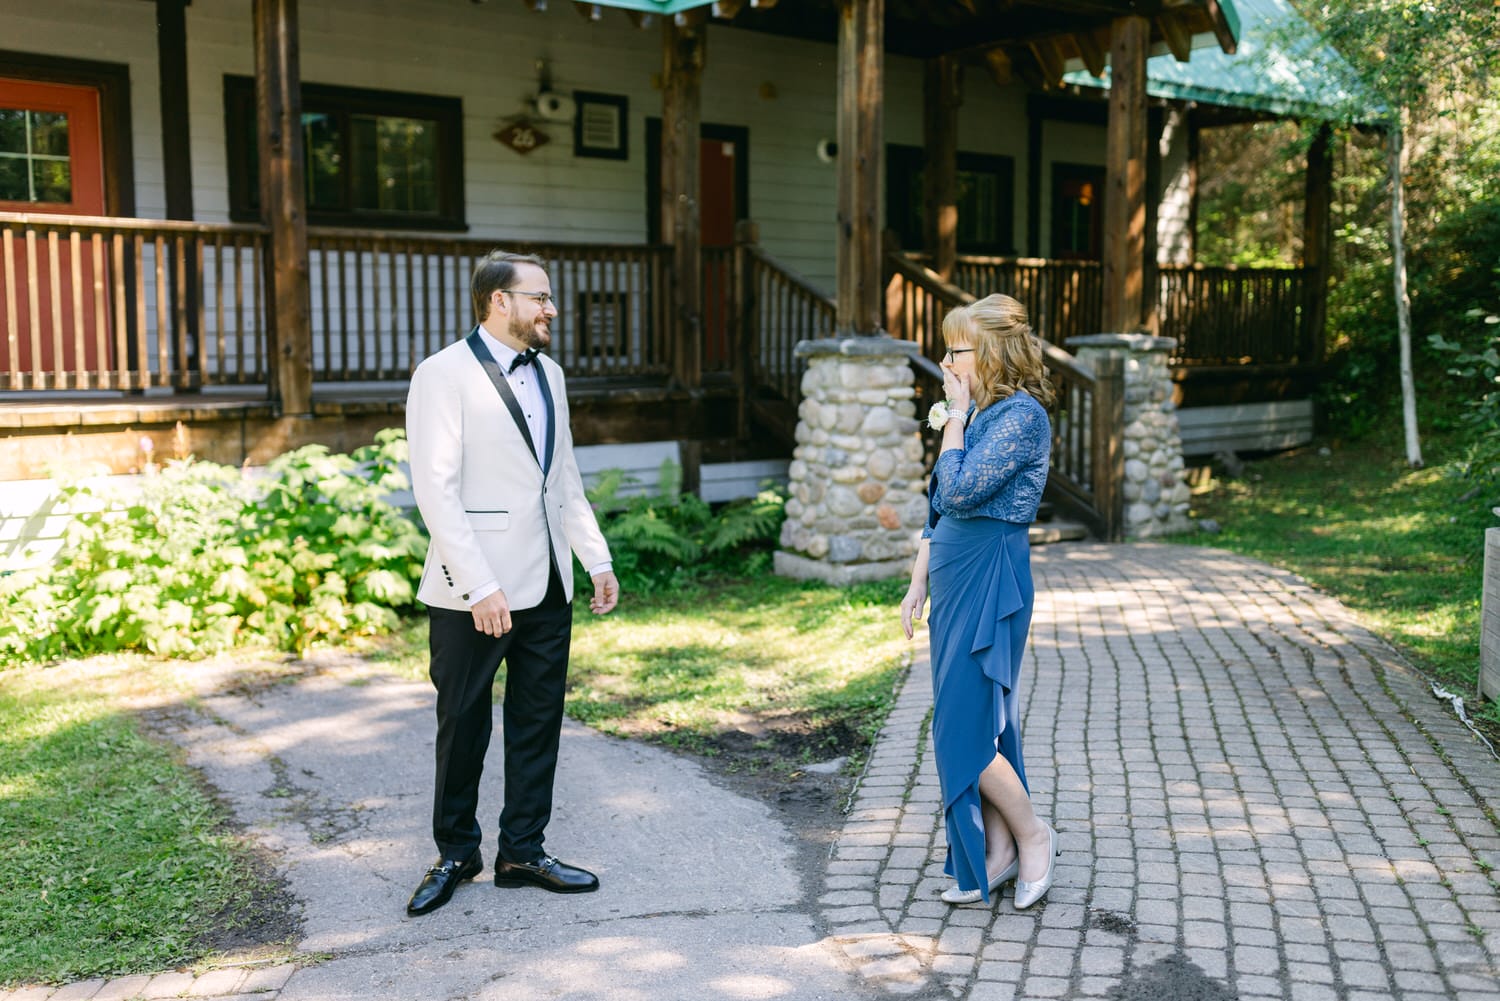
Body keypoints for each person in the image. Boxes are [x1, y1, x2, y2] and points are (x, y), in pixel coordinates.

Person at [404, 250, 620, 917]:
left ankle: (523, 848)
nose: (551, 309)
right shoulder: (441, 375)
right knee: (463, 722)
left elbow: (563, 475)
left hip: (549, 581)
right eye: (540, 297)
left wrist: (595, 556)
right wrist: (479, 585)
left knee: (537, 721)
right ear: (501, 300)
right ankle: (455, 852)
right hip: (475, 590)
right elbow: (435, 491)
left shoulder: (550, 373)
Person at [899, 293, 1059, 909]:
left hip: (992, 572)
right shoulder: (975, 413)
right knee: (974, 721)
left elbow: (963, 490)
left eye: (954, 350)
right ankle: (997, 855)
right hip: (954, 570)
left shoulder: (1020, 417)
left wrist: (957, 419)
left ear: (989, 350)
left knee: (959, 728)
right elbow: (938, 505)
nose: (943, 362)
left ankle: (1033, 835)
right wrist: (920, 580)